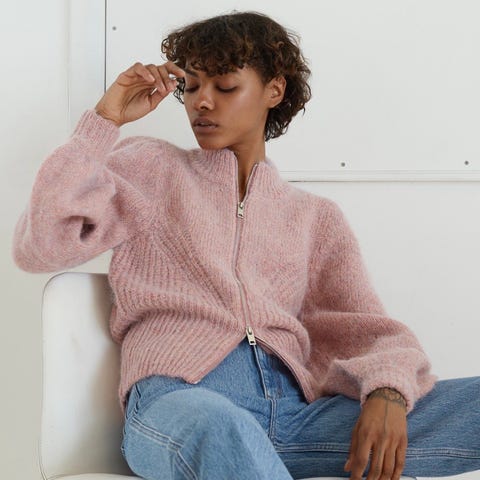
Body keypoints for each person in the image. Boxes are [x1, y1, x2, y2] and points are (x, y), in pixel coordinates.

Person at [12, 10, 479, 480]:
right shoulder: (152, 169)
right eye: (191, 87)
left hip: (297, 419)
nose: (202, 102)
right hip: (181, 404)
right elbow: (41, 245)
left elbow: (369, 329)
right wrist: (103, 122)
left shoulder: (313, 217)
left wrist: (388, 391)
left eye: (225, 86)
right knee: (222, 427)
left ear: (274, 90)